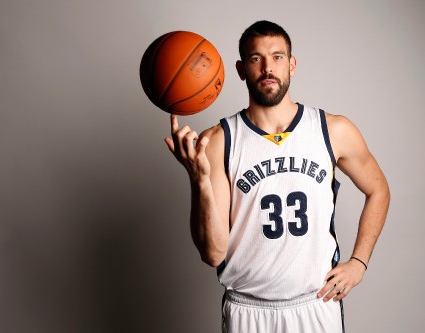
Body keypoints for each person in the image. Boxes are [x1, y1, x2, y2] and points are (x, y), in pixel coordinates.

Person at [164, 20, 390, 333]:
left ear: (292, 65)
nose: (268, 67)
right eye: (256, 59)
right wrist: (199, 178)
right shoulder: (219, 141)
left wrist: (359, 262)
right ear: (242, 69)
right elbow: (213, 253)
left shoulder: (333, 130)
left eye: (278, 57)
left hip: (315, 304)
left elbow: (379, 190)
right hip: (248, 310)